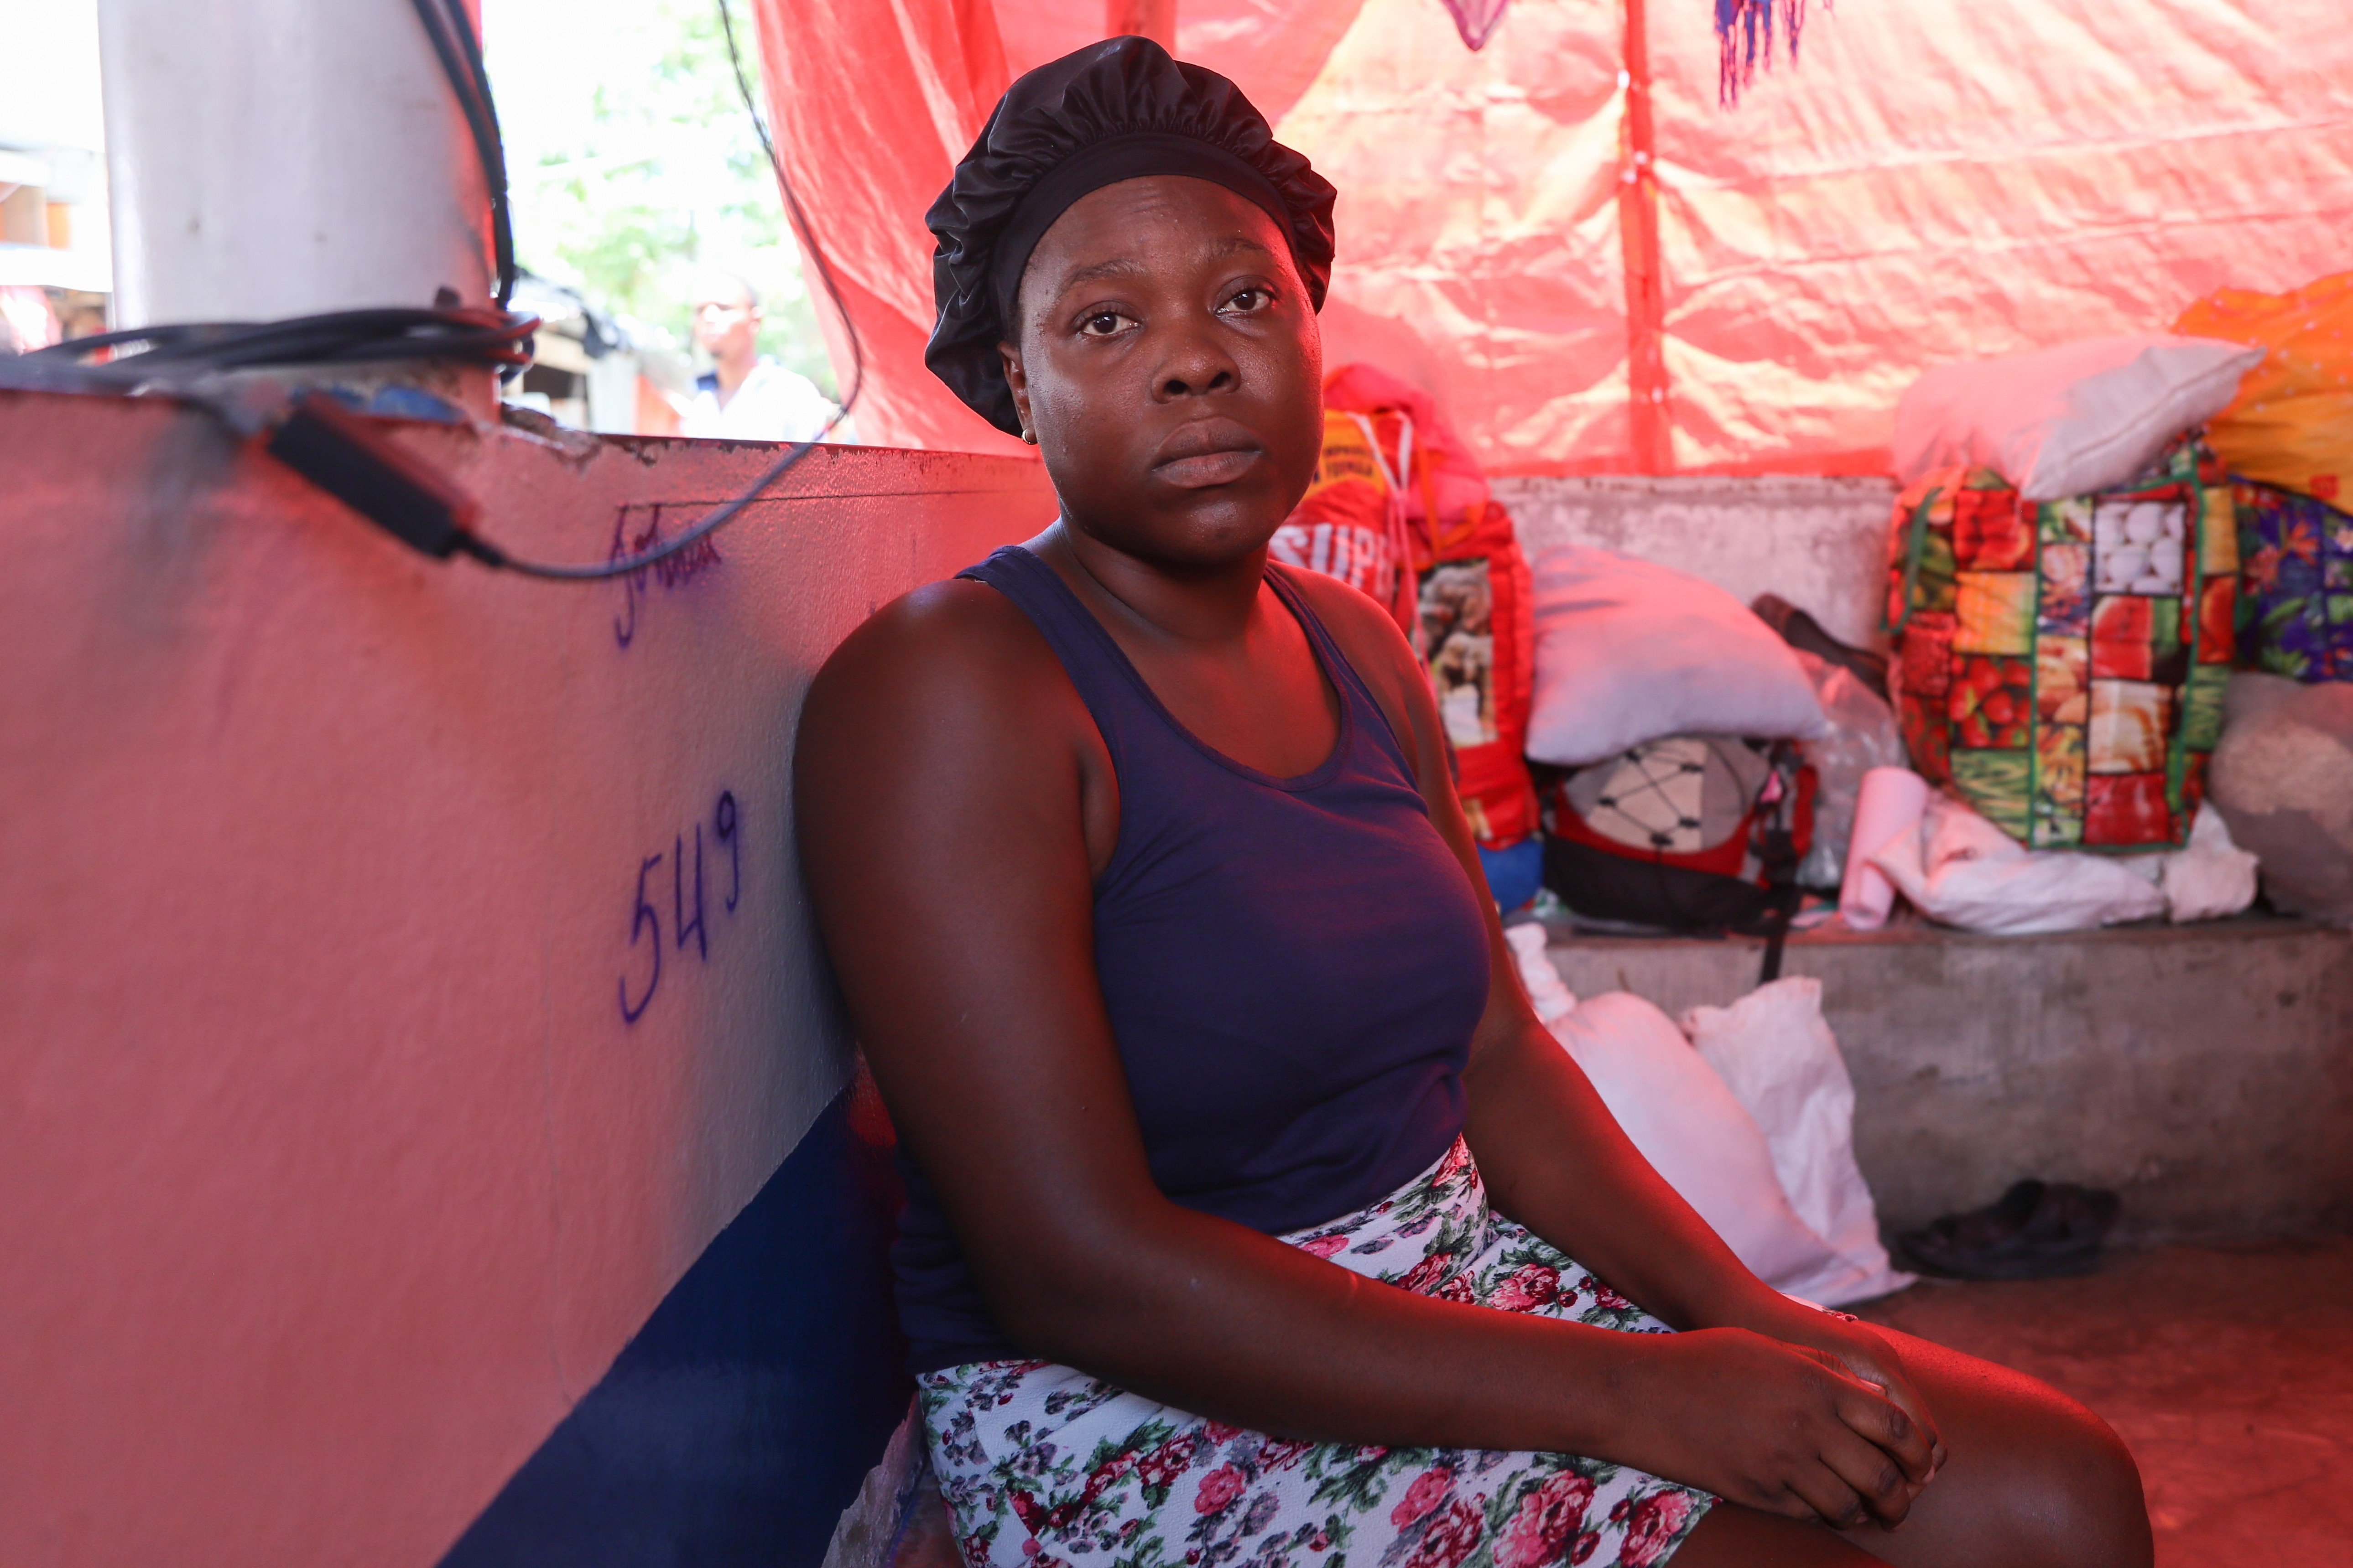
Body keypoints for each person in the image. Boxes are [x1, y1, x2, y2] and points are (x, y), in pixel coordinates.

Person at [795, 38, 2152, 1568]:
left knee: (2057, 1488)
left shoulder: (1353, 645)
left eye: (1243, 298)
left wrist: (1749, 1317)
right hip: (1135, 1396)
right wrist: (1633, 1393)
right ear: (1016, 389)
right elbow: (1068, 1264)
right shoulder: (952, 685)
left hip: (1446, 1280)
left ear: (1313, 337)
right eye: (1104, 321)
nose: (1193, 356)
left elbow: (1498, 1059)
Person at [679, 269, 840, 441]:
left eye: (724, 309)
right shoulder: (698, 407)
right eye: (700, 311)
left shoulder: (793, 394)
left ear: (755, 320)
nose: (709, 318)